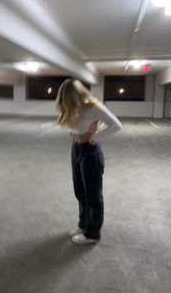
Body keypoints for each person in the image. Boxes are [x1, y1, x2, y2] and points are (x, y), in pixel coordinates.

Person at [55, 78, 122, 245]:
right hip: (76, 149)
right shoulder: (72, 108)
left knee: (92, 195)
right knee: (80, 191)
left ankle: (92, 233)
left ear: (75, 96)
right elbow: (71, 125)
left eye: (67, 100)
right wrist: (74, 134)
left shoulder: (93, 107)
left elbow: (116, 125)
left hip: (90, 152)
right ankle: (83, 224)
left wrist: (94, 138)